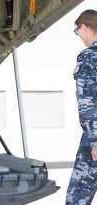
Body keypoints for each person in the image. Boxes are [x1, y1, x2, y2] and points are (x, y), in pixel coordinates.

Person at [66, 9, 97, 205]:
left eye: (78, 31)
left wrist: (95, 139)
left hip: (94, 137)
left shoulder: (88, 57)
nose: (79, 36)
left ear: (84, 28)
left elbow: (87, 102)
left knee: (77, 197)